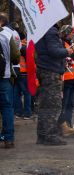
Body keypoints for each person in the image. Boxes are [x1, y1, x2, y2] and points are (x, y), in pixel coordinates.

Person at [35, 24, 73, 145]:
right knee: (53, 105)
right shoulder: (51, 31)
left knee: (44, 105)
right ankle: (50, 136)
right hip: (51, 71)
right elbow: (54, 51)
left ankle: (42, 135)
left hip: (44, 69)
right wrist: (66, 51)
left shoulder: (42, 29)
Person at [0, 14, 21, 148]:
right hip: (4, 76)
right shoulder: (7, 35)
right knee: (7, 108)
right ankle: (8, 139)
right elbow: (15, 57)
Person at [56, 25, 74, 137]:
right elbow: (67, 62)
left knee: (70, 104)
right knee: (64, 104)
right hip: (66, 80)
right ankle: (62, 127)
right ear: (66, 33)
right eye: (71, 33)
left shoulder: (71, 45)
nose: (72, 35)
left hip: (73, 79)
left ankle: (68, 125)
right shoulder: (62, 45)